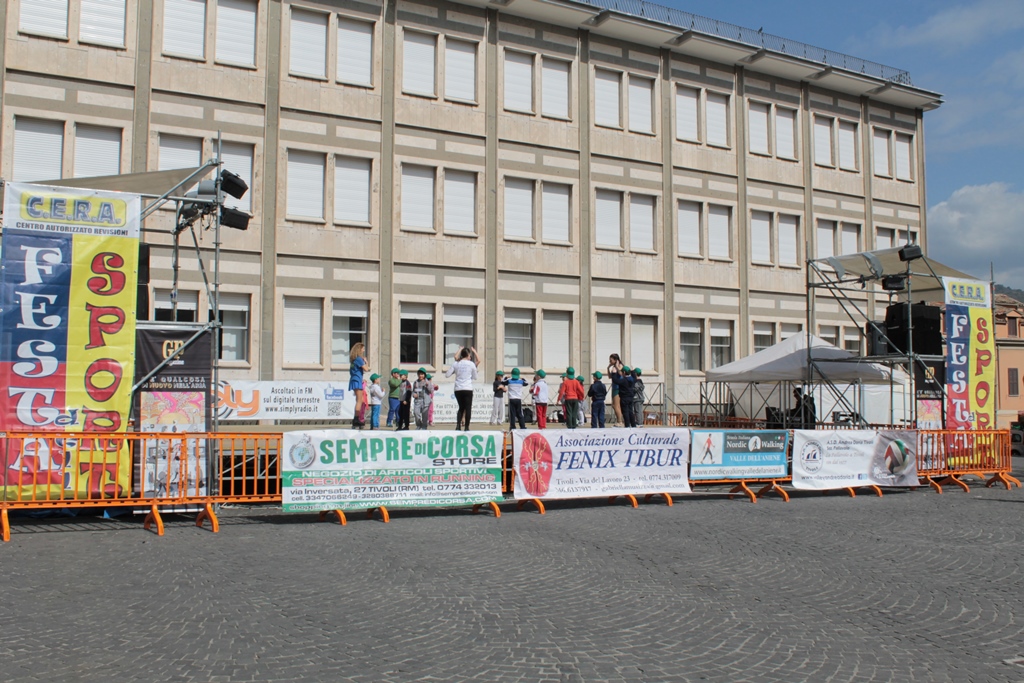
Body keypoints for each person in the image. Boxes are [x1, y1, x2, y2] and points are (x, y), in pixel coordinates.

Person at [445, 346, 480, 431]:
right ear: (468, 355)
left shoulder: (456, 363)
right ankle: (467, 427)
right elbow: (475, 377)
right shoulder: (471, 364)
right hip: (467, 388)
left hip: (458, 389)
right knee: (468, 408)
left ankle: (458, 426)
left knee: (461, 407)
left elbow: (447, 375)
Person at [349, 342, 368, 429]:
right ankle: (356, 419)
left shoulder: (353, 360)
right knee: (359, 400)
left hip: (354, 379)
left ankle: (356, 419)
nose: (364, 350)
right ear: (359, 349)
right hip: (357, 380)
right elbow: (366, 369)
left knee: (359, 400)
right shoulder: (359, 359)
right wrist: (366, 362)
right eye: (363, 348)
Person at [607, 354, 624, 425]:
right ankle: (619, 419)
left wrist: (617, 367)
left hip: (618, 387)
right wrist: (608, 368)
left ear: (615, 360)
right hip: (614, 387)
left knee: (616, 405)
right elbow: (610, 377)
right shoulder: (613, 368)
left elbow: (621, 374)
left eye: (611, 360)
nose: (610, 361)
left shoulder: (620, 366)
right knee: (614, 405)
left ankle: (620, 421)